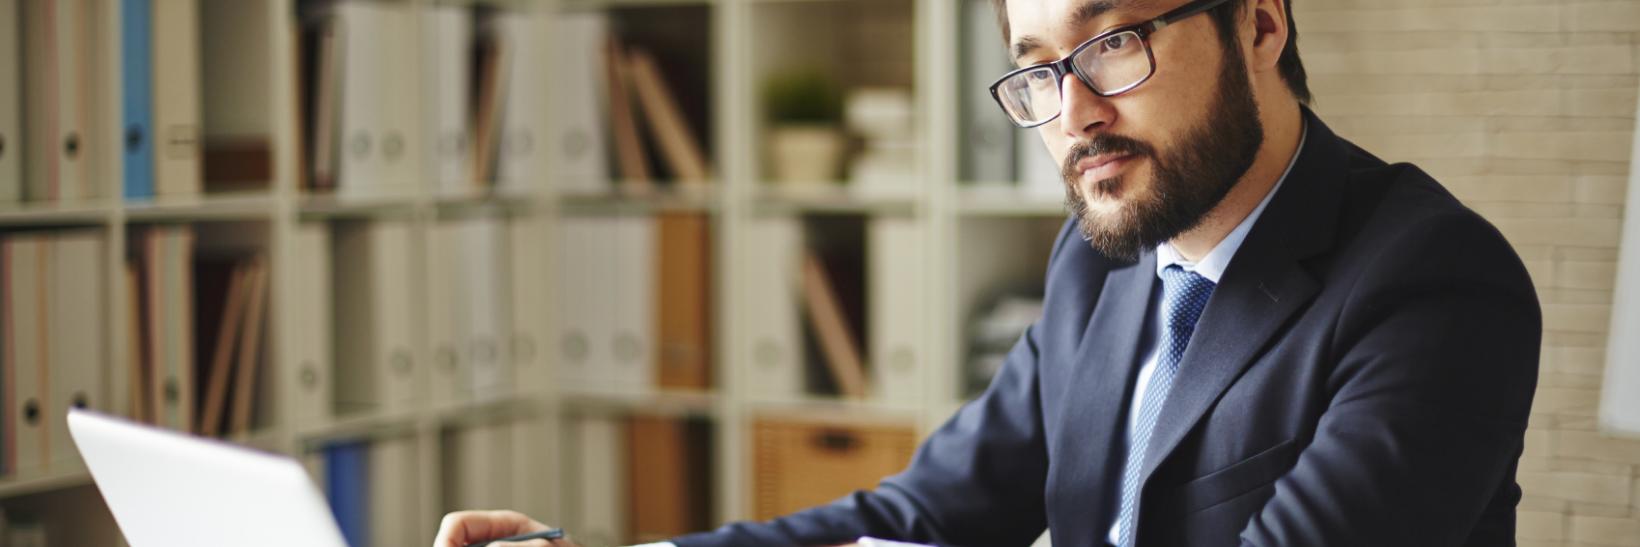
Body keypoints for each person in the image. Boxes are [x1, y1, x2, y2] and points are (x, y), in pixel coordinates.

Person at [435, 0, 1541, 544]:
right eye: (1037, 72)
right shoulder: (1100, 263)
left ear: (1257, 20)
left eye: (1112, 42)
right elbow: (924, 510)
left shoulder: (1433, 284)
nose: (1075, 116)